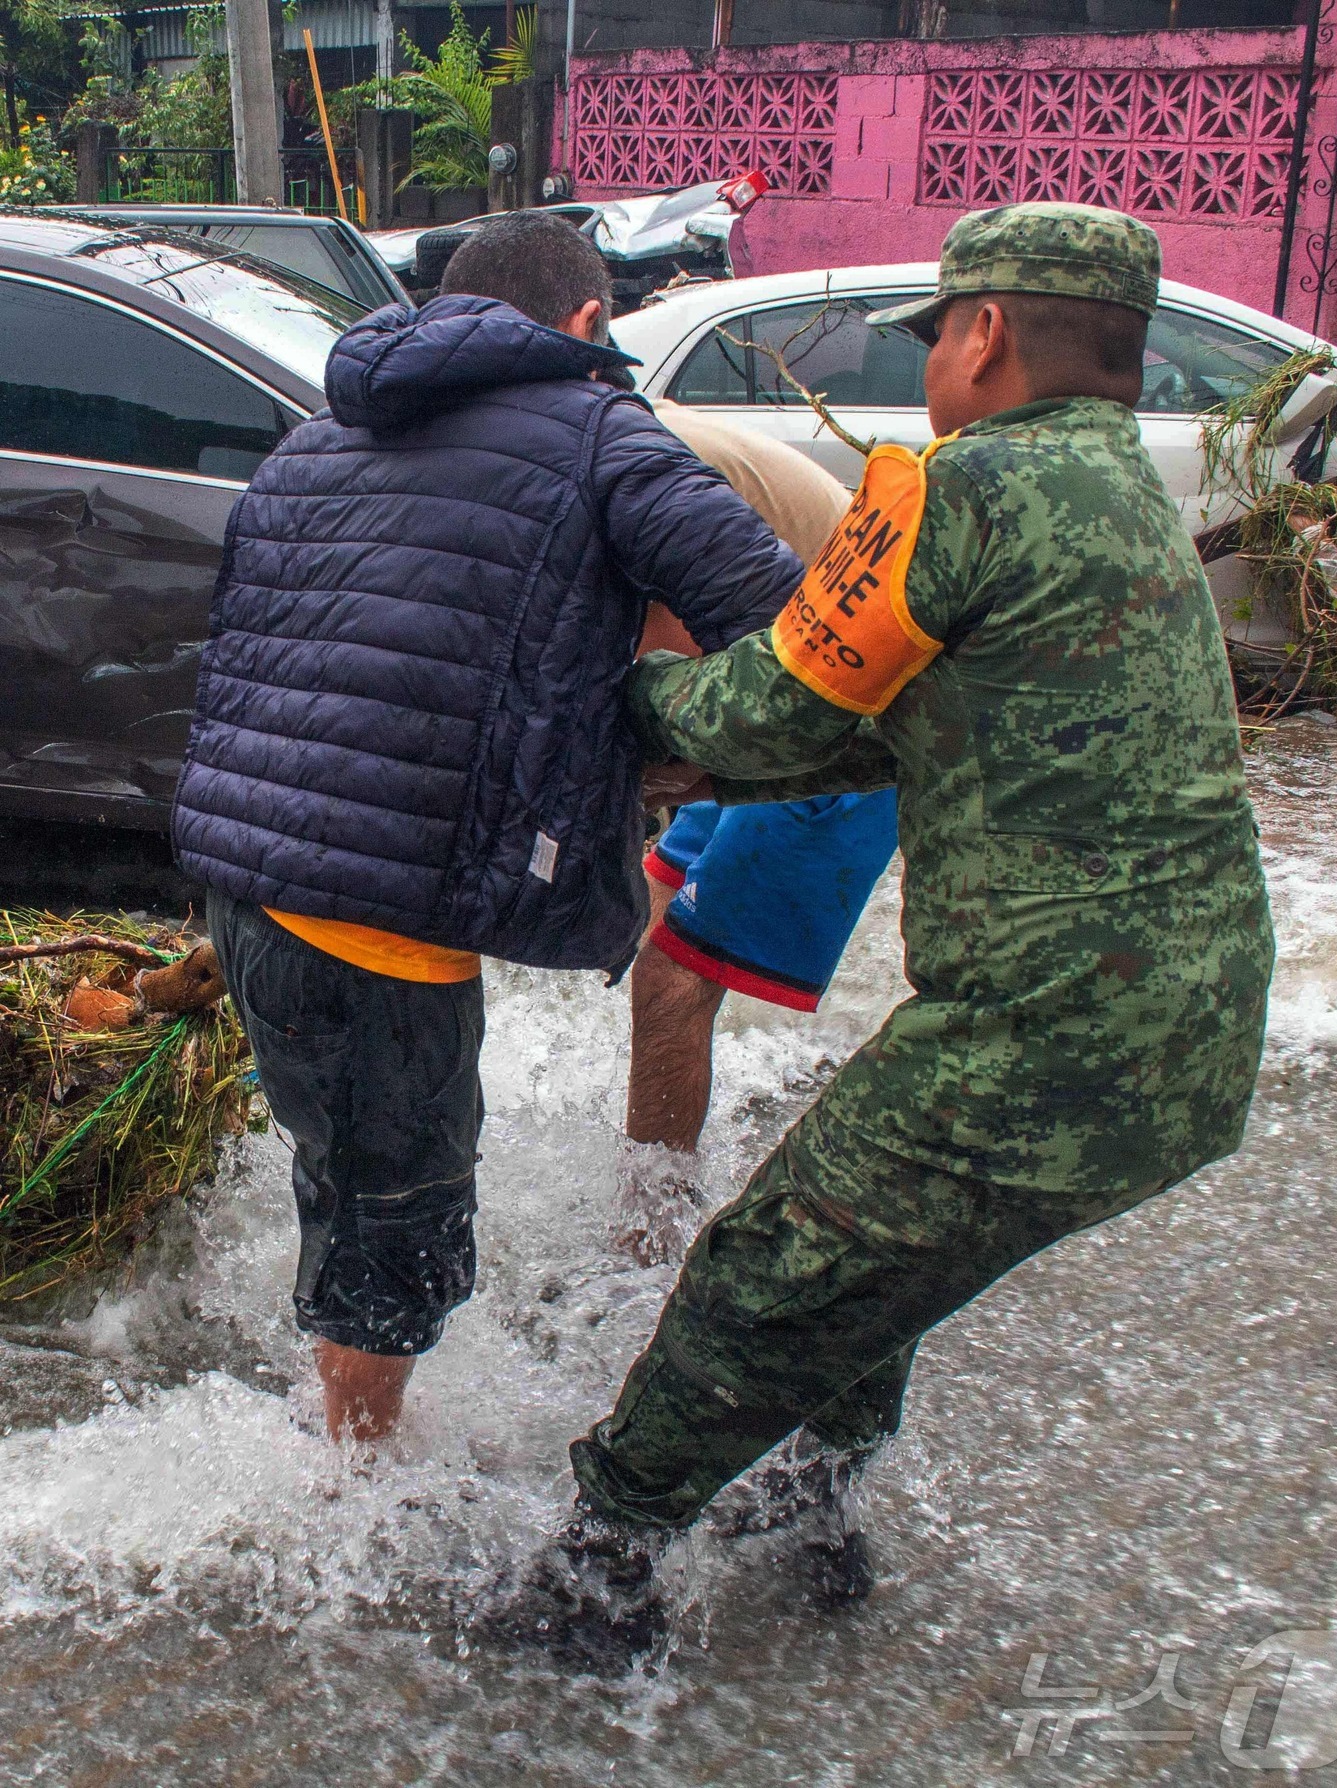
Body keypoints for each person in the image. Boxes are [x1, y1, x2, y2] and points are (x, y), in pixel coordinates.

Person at [513, 202, 1276, 1662]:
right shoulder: (1126, 501)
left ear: (985, 334)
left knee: (766, 1265)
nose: (929, 368)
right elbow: (894, 737)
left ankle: (591, 1578)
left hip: (1041, 1029)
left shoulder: (956, 486)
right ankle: (809, 1515)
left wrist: (616, 711)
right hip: (1195, 1031)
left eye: (938, 337)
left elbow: (781, 709)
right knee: (886, 1259)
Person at [170, 212, 805, 1444]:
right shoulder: (600, 436)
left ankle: (346, 1455)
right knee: (393, 1239)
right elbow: (776, 615)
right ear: (585, 323)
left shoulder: (314, 438)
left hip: (247, 892)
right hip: (371, 936)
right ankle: (352, 1513)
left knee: (344, 1190)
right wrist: (653, 727)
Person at [620, 398, 898, 1254]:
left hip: (850, 707)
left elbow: (654, 664)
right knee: (657, 929)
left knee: (672, 976)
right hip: (764, 681)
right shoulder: (592, 428)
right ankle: (661, 1184)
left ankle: (645, 1248)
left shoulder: (623, 464)